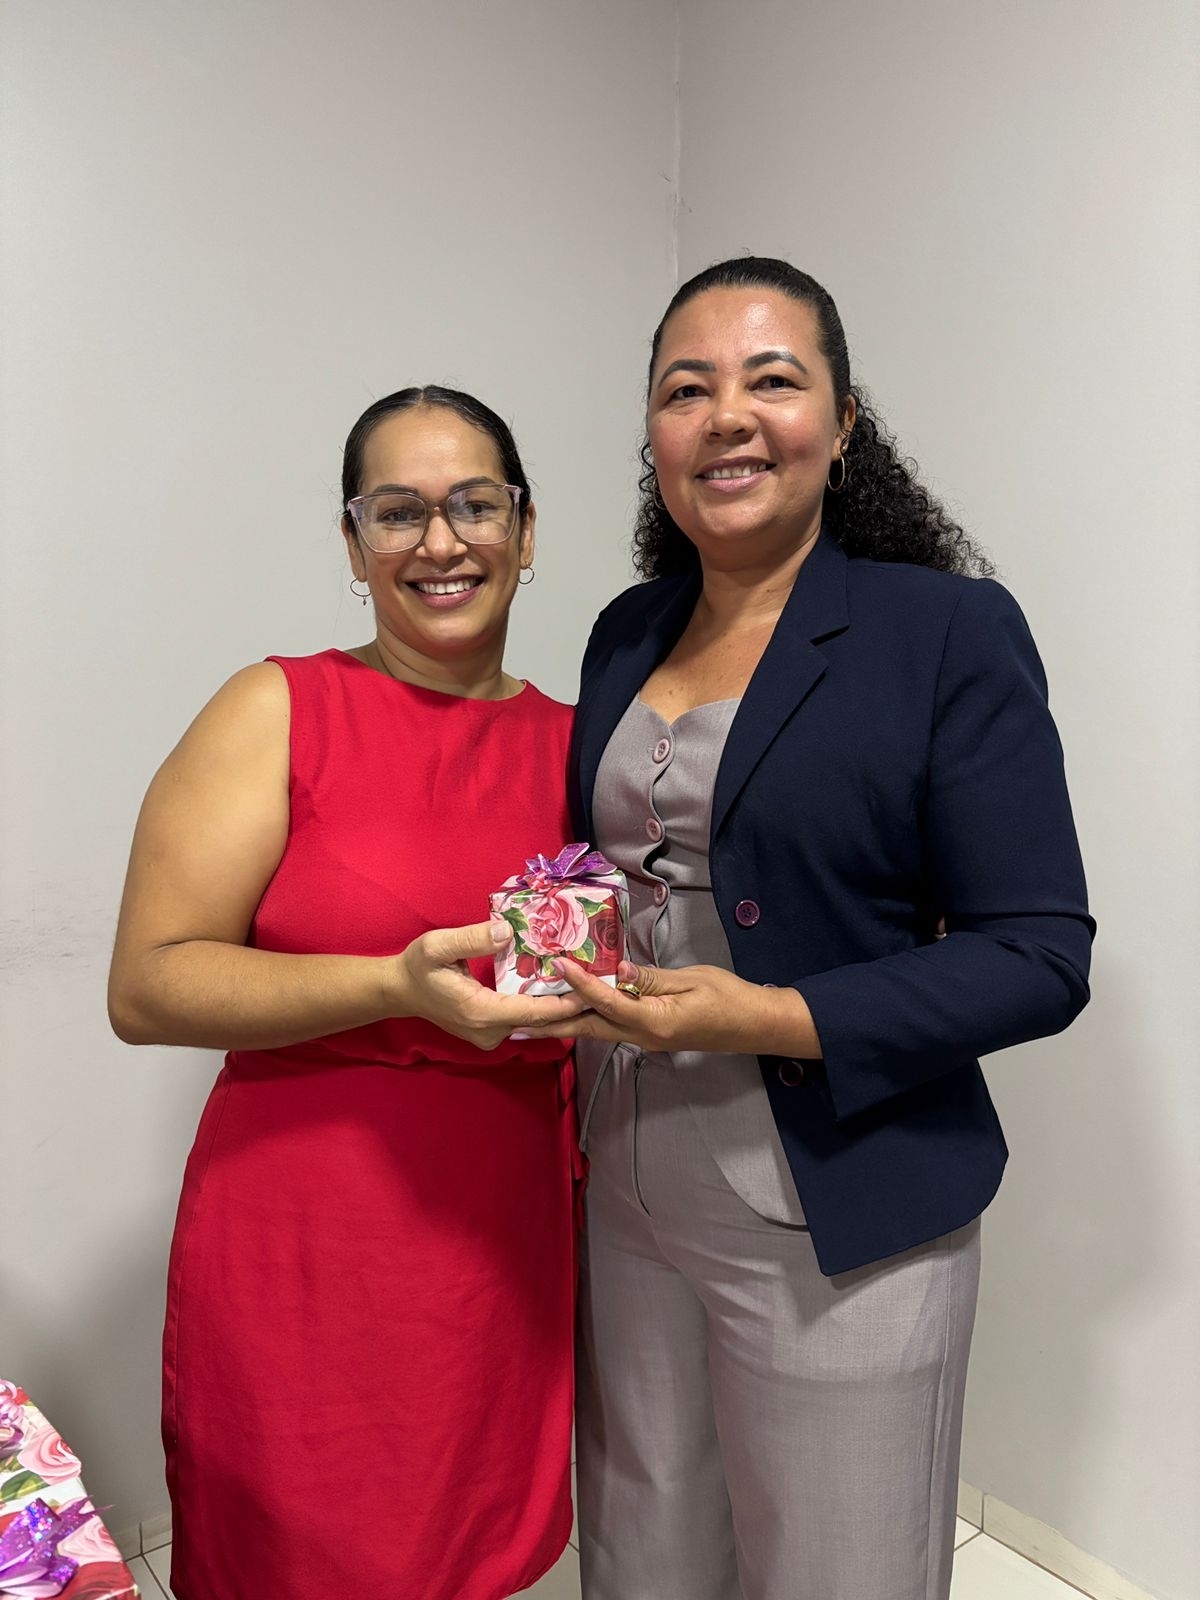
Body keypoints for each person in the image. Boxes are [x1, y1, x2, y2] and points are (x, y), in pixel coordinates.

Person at [521, 258, 1094, 1600]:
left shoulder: (945, 630)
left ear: (842, 427)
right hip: (628, 1169)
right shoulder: (626, 631)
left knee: (837, 1565)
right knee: (646, 1542)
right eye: (686, 388)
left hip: (840, 1192)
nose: (728, 414)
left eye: (773, 379)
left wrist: (771, 1016)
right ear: (653, 438)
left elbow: (1037, 952)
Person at [107, 386, 588, 1600]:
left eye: (477, 504)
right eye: (399, 511)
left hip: (499, 1241)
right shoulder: (278, 708)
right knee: (298, 1558)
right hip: (304, 1242)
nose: (442, 542)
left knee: (471, 1552)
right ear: (353, 543)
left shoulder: (585, 746)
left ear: (527, 534)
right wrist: (392, 985)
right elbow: (149, 984)